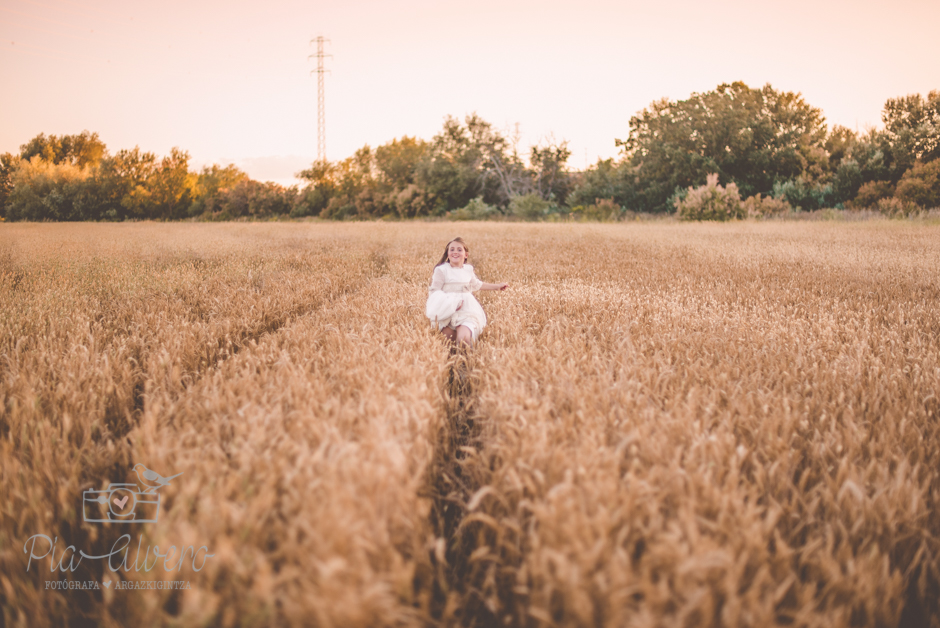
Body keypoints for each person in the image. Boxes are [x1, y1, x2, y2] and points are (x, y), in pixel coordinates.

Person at [426, 237, 508, 347]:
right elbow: (434, 292)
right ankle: (451, 363)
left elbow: (477, 285)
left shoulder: (468, 269)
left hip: (467, 310)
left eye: (459, 250)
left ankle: (466, 362)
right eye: (452, 249)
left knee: (464, 339)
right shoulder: (441, 270)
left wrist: (497, 286)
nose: (455, 252)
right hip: (447, 311)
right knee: (447, 342)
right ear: (447, 253)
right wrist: (450, 304)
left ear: (466, 255)